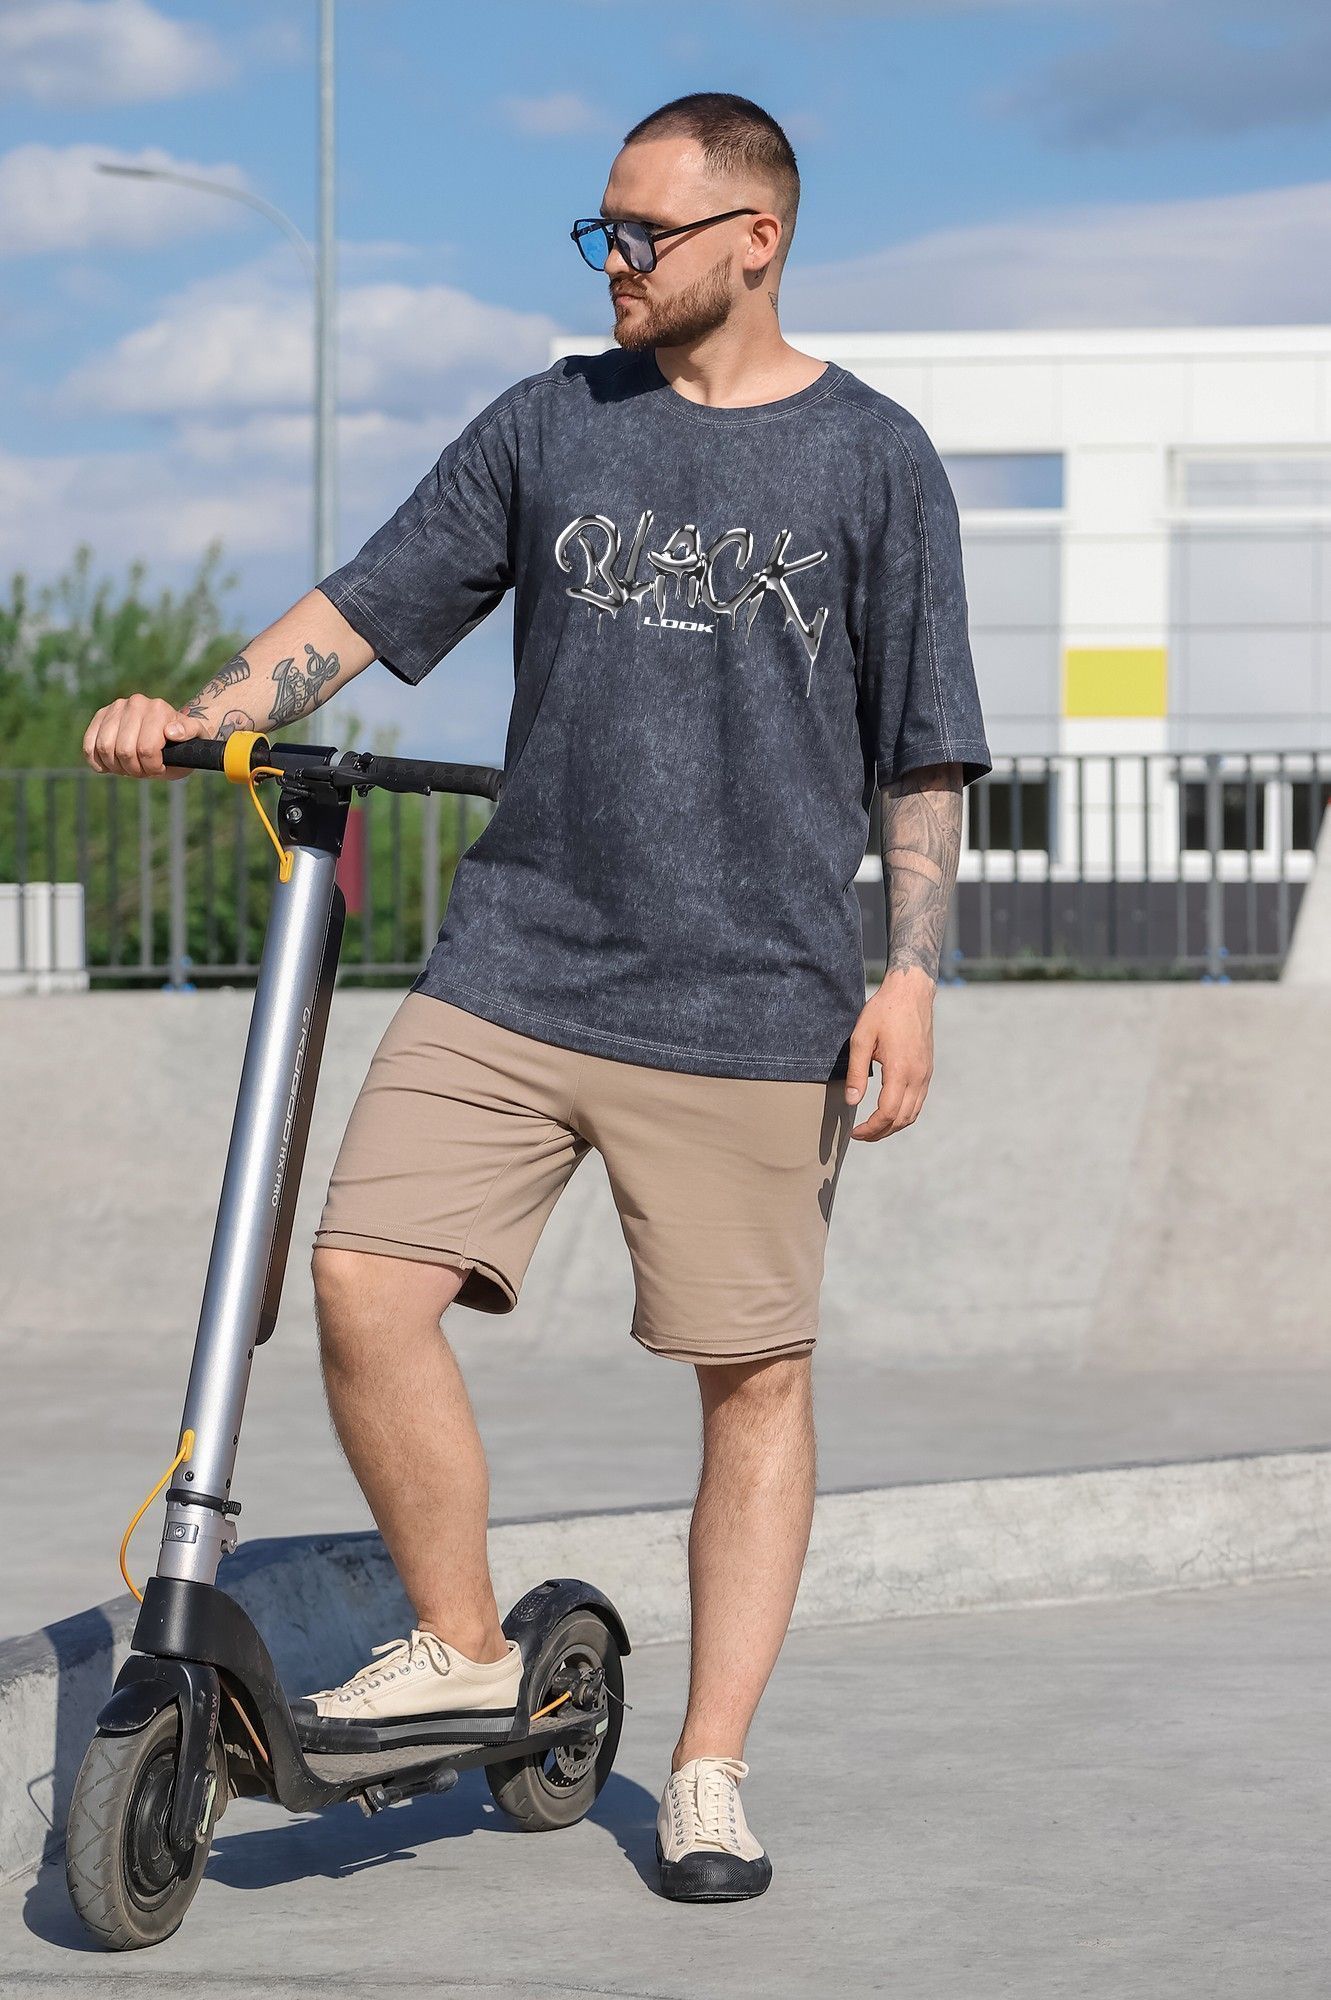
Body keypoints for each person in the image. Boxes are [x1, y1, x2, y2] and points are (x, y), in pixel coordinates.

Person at [81, 91, 991, 1903]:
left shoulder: (875, 460)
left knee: (753, 1380)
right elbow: (363, 607)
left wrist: (909, 971)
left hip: (754, 999)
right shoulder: (549, 421)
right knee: (360, 1281)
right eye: (601, 229)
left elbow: (924, 749)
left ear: (757, 239)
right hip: (516, 962)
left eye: (643, 233)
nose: (612, 261)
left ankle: (709, 1767)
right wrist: (210, 711)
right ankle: (461, 1641)